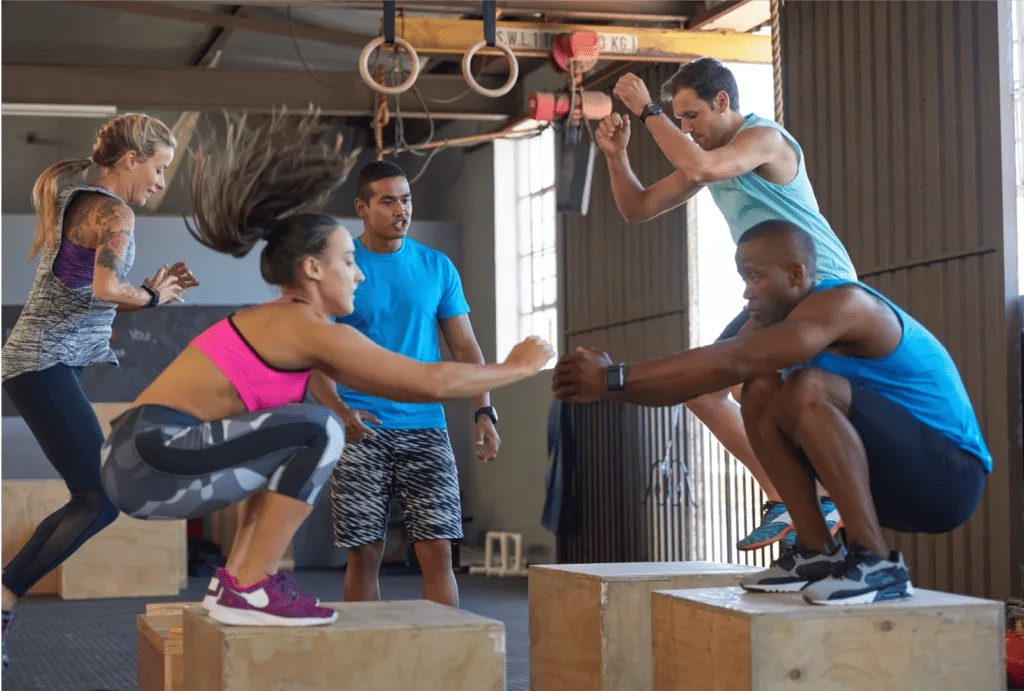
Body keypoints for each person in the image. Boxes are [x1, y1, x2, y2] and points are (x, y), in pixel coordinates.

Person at [99, 111, 554, 627]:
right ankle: (249, 586)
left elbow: (434, 373)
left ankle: (239, 581)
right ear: (312, 269)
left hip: (141, 459)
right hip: (151, 458)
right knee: (318, 428)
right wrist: (518, 366)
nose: (358, 272)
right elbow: (433, 379)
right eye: (346, 262)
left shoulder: (289, 322)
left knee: (297, 436)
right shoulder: (308, 328)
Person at [552, 220, 990, 605]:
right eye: (743, 277)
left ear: (797, 274)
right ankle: (816, 554)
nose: (746, 290)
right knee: (759, 388)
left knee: (805, 387)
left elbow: (734, 358)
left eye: (755, 277)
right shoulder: (768, 320)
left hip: (949, 479)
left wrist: (615, 376)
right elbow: (698, 383)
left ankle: (876, 563)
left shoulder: (845, 305)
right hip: (888, 479)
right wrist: (609, 387)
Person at [595, 57, 859, 550]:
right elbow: (637, 209)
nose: (686, 128)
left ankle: (818, 495)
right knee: (705, 392)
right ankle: (789, 497)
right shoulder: (708, 158)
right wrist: (616, 158)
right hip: (774, 296)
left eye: (691, 116)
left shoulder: (765, 140)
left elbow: (699, 165)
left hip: (821, 285)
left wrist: (646, 108)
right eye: (678, 119)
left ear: (723, 102)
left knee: (748, 390)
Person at [0, 113, 199, 671]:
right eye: (158, 169)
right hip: (42, 364)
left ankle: (3, 596)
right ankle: (4, 597)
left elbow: (86, 288)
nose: (160, 182)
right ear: (131, 160)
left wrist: (143, 293)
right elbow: (107, 286)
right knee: (101, 498)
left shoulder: (83, 198)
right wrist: (153, 300)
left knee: (90, 495)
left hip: (44, 363)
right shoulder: (114, 210)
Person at [319, 161, 497, 608]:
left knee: (438, 549)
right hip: (362, 427)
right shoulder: (342, 269)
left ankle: (447, 664)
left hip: (426, 425)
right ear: (362, 208)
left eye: (407, 199)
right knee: (365, 553)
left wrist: (483, 409)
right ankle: (367, 663)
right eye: (388, 201)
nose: (402, 210)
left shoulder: (437, 267)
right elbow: (316, 355)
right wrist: (342, 413)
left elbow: (467, 349)